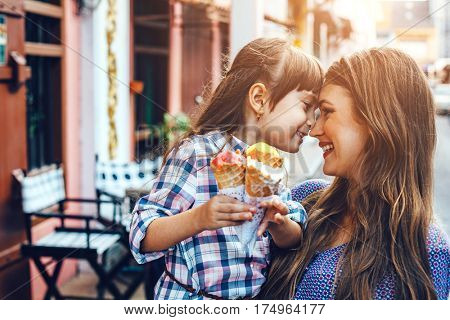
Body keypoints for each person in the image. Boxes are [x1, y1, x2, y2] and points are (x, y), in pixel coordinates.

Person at [129, 38, 324, 299]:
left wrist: (280, 223)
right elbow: (142, 234)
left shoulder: (271, 165)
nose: (313, 121)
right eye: (307, 106)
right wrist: (199, 218)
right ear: (259, 99)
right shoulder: (198, 154)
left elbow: (295, 237)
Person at [258, 48, 450, 300]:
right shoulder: (303, 200)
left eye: (327, 112)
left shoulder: (428, 250)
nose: (314, 130)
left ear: (377, 121)